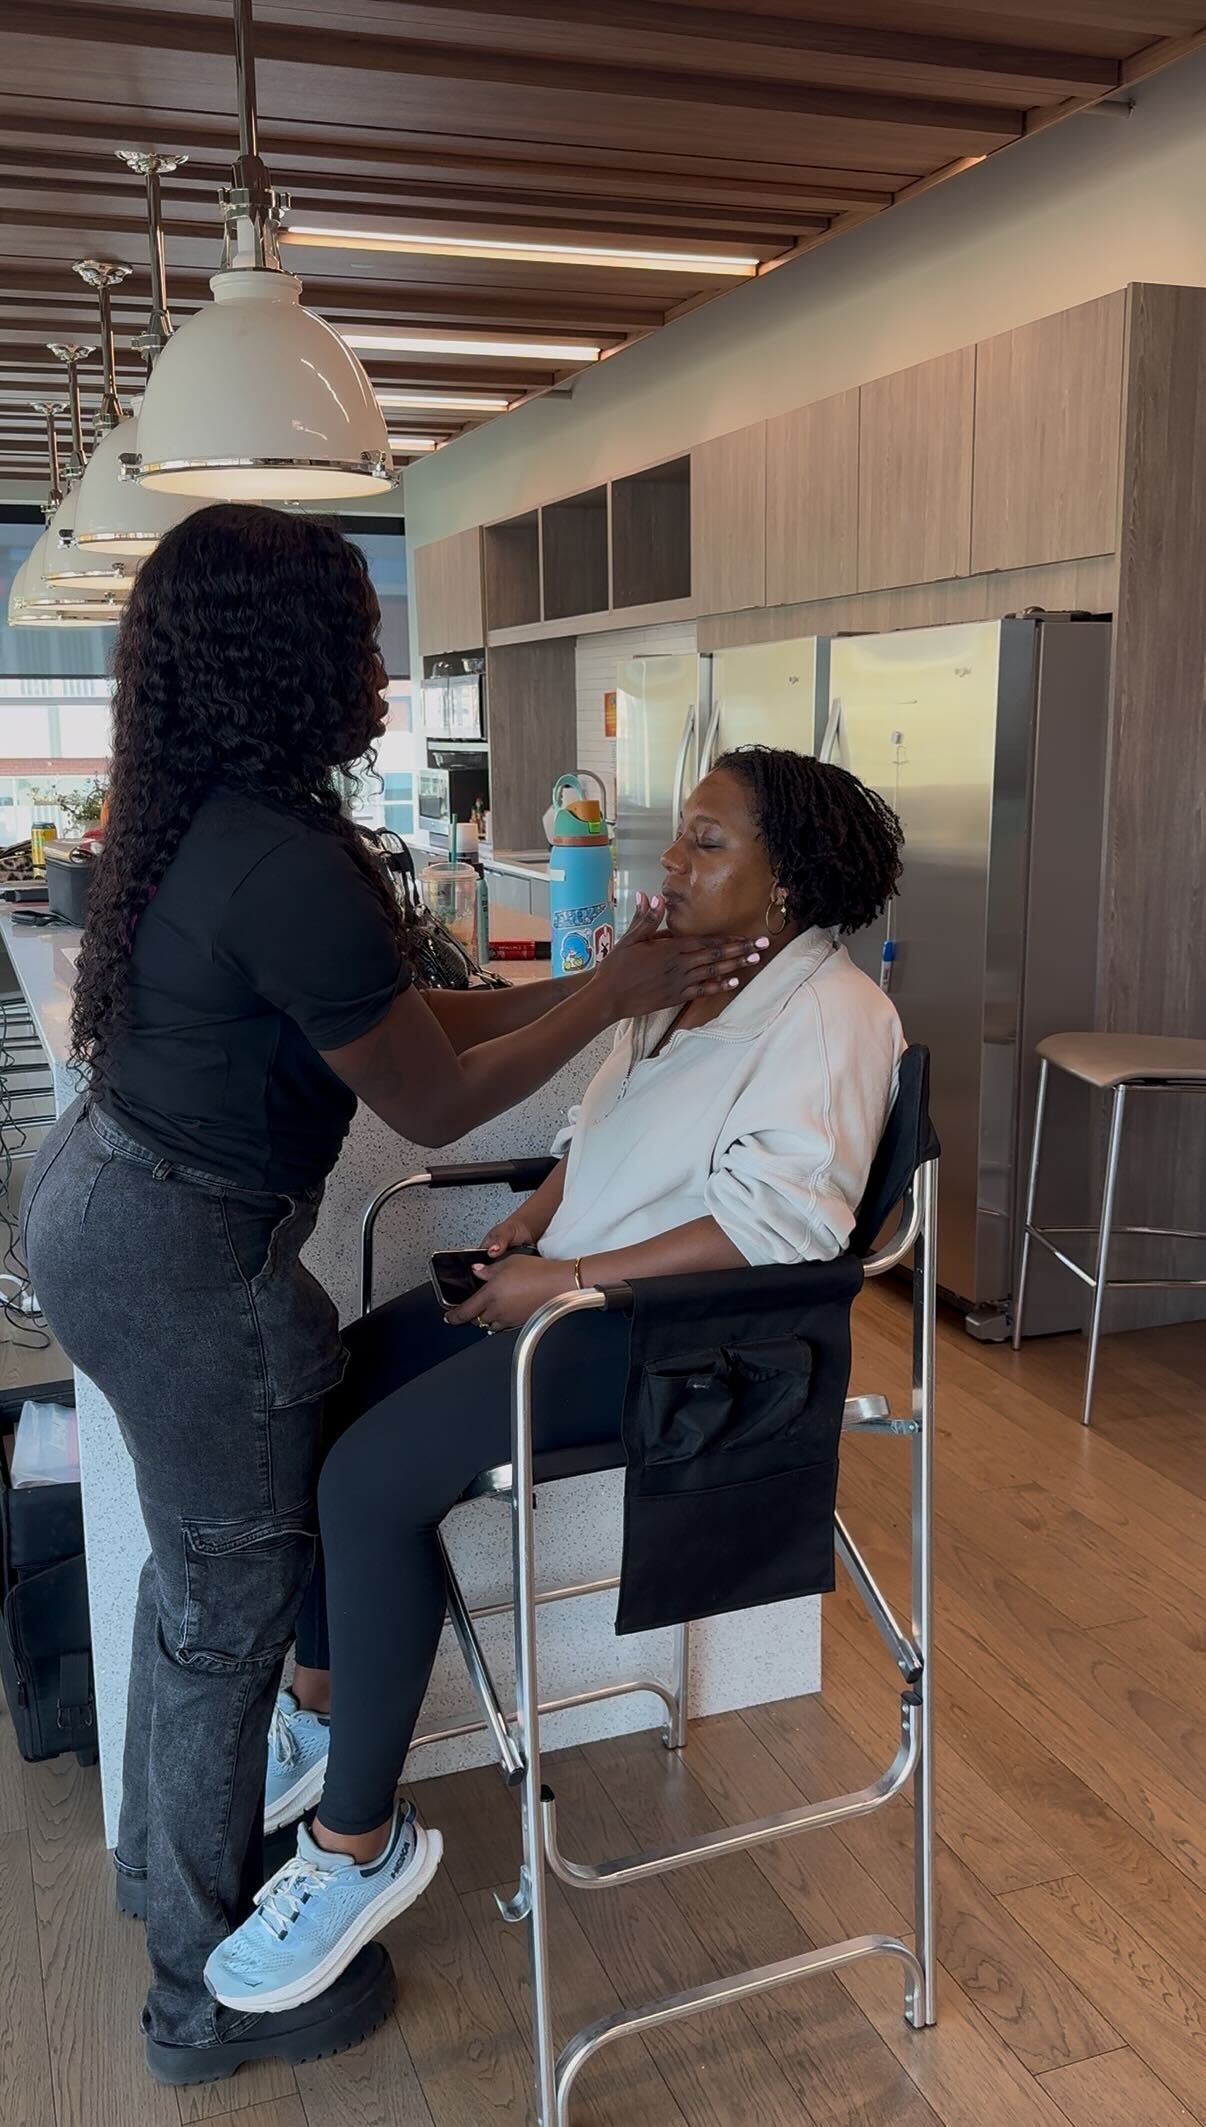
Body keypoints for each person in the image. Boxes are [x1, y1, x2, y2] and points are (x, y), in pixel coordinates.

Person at [20, 502, 766, 2088]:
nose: (377, 657)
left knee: (201, 1588)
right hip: (176, 1256)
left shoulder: (214, 819)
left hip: (111, 1209)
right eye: (353, 632)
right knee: (224, 1606)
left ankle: (177, 1880)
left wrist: (595, 982)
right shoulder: (283, 855)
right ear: (285, 658)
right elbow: (429, 1108)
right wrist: (619, 993)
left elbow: (401, 1018)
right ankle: (197, 1997)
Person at [202, 743, 906, 2020]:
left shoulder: (836, 1017)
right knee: (329, 1387)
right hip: (576, 1290)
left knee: (368, 1484)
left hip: (674, 1337)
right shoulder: (681, 983)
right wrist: (535, 1217)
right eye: (679, 835)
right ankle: (321, 1712)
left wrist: (571, 1274)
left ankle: (356, 1847)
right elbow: (602, 1132)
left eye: (707, 843)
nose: (671, 864)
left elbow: (778, 1228)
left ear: (788, 882)